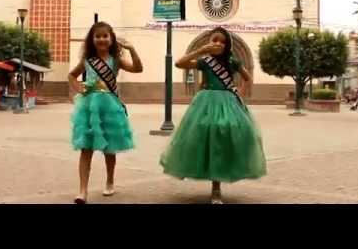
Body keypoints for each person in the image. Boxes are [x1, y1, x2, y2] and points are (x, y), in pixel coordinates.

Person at [160, 27, 267, 204]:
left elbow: (247, 78)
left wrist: (239, 92)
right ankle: (215, 186)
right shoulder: (205, 61)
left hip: (228, 102)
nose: (218, 44)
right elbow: (179, 63)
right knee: (204, 136)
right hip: (206, 103)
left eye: (222, 41)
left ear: (228, 45)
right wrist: (201, 50)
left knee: (234, 133)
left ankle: (218, 184)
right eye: (214, 40)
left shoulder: (233, 61)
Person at [68, 21, 143, 204]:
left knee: (110, 149)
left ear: (111, 39)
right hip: (89, 107)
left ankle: (110, 180)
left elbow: (138, 68)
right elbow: (71, 75)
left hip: (110, 105)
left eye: (105, 36)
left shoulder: (115, 60)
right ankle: (82, 191)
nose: (101, 39)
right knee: (86, 148)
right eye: (97, 36)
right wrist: (79, 89)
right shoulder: (87, 60)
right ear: (92, 40)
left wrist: (132, 49)